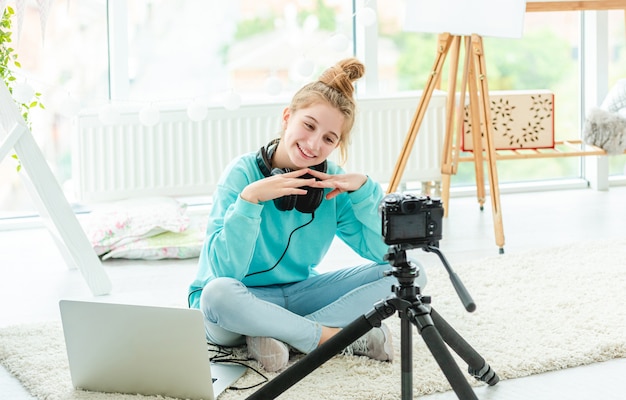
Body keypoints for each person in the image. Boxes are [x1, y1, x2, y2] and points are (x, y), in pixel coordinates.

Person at [188, 57, 427, 372]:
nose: (314, 144)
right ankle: (332, 338)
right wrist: (250, 201)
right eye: (308, 125)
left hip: (298, 294)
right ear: (287, 117)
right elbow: (222, 273)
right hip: (236, 304)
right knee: (216, 294)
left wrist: (367, 193)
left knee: (410, 273)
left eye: (329, 138)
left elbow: (386, 255)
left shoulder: (331, 185)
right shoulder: (242, 175)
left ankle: (281, 335)